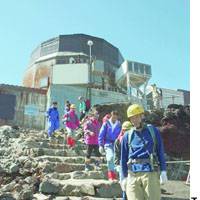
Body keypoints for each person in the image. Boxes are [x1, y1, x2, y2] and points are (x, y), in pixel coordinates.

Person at [120, 104, 168, 200]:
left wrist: (163, 171)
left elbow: (160, 151)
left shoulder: (152, 131)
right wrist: (123, 177)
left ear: (142, 116)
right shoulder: (127, 136)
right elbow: (123, 158)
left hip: (150, 173)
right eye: (132, 118)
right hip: (132, 174)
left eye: (137, 117)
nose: (134, 120)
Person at [98, 110, 121, 181]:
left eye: (116, 117)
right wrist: (100, 145)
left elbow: (120, 134)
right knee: (110, 158)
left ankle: (115, 176)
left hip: (116, 144)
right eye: (114, 117)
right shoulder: (106, 124)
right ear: (111, 115)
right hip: (108, 144)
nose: (115, 119)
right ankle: (111, 176)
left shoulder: (119, 124)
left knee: (116, 159)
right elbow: (101, 134)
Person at [114, 121, 133, 200]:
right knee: (124, 182)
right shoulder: (118, 140)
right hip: (122, 164)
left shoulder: (134, 139)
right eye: (125, 130)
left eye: (128, 130)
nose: (126, 131)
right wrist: (117, 164)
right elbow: (117, 154)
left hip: (133, 163)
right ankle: (124, 197)